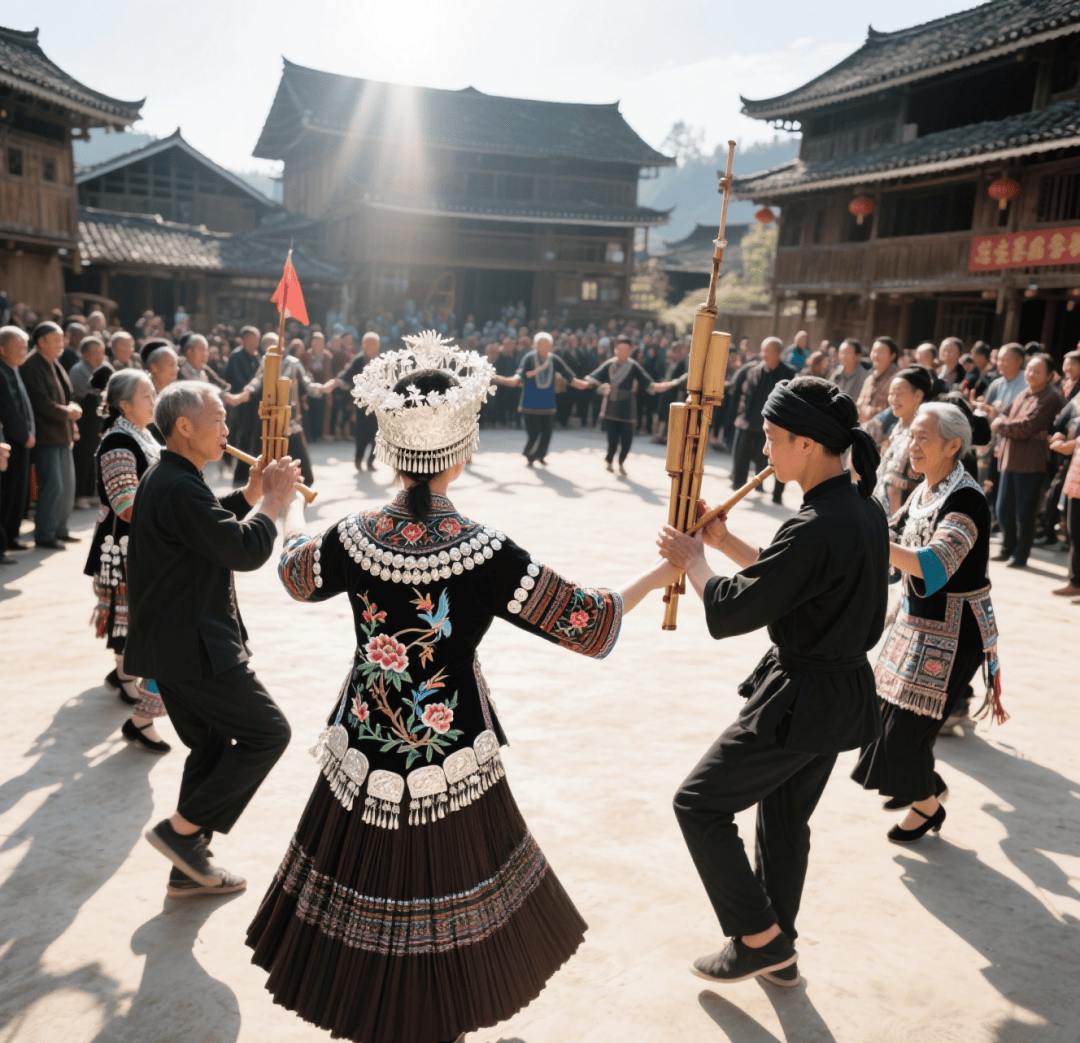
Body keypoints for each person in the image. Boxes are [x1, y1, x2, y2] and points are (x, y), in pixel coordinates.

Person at [246, 330, 677, 1043]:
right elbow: (587, 622)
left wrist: (285, 501)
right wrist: (664, 573)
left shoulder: (354, 534)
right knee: (447, 890)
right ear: (463, 451)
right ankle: (435, 1022)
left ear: (390, 449)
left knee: (367, 883)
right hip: (450, 751)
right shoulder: (485, 549)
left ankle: (377, 1017)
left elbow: (296, 572)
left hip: (364, 739)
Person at [656, 376, 888, 987]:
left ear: (806, 444)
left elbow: (734, 609)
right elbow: (793, 580)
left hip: (803, 698)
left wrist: (694, 562)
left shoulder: (817, 523)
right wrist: (723, 540)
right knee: (784, 820)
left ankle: (758, 939)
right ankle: (779, 949)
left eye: (771, 437)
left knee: (698, 803)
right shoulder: (862, 508)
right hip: (839, 693)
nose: (763, 450)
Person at [126, 382, 299, 895]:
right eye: (218, 419)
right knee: (269, 733)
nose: (226, 429)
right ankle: (179, 834)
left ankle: (188, 868)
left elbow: (206, 521)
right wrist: (273, 503)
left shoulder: (171, 477)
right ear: (184, 426)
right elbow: (241, 549)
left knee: (210, 747)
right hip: (195, 645)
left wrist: (249, 495)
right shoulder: (178, 484)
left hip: (172, 645)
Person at [852, 403, 1003, 840]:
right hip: (914, 625)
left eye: (923, 438)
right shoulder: (926, 490)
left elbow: (934, 567)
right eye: (911, 437)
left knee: (905, 736)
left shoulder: (966, 499)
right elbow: (893, 535)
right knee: (880, 722)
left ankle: (927, 803)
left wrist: (873, 539)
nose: (911, 446)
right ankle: (920, 784)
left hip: (955, 636)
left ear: (953, 445)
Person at [84, 371, 171, 752]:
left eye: (154, 393)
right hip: (123, 543)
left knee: (136, 615)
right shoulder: (118, 441)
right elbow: (125, 504)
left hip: (142, 542)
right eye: (147, 395)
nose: (154, 400)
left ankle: (123, 676)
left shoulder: (143, 434)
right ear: (124, 404)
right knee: (130, 613)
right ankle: (125, 677)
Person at [992, 354, 1063, 569]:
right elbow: (1003, 415)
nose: (1031, 374)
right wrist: (1004, 423)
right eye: (1029, 369)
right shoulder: (1024, 393)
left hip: (1031, 463)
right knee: (1003, 509)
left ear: (1050, 375)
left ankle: (1020, 554)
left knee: (1024, 513)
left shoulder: (1051, 397)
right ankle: (1007, 548)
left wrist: (1001, 426)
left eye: (1037, 371)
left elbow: (1026, 427)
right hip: (1009, 459)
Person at [22, 321, 82, 550]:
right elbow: (41, 403)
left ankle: (60, 530)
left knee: (67, 486)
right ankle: (45, 534)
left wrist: (71, 418)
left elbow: (67, 395)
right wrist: (68, 413)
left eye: (61, 338)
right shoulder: (31, 365)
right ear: (41, 341)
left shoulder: (54, 363)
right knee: (52, 486)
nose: (61, 343)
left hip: (63, 434)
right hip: (46, 437)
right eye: (55, 339)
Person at [493, 331, 589, 466]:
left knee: (547, 433)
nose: (546, 346)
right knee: (534, 433)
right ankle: (529, 453)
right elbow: (520, 374)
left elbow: (567, 373)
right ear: (536, 345)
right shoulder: (529, 358)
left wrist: (577, 382)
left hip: (547, 403)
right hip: (530, 402)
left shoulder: (554, 359)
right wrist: (508, 380)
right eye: (542, 344)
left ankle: (540, 455)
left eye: (548, 344)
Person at [584, 334, 673, 475]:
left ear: (630, 351)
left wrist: (662, 386)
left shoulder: (633, 366)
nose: (622, 352)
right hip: (611, 405)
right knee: (612, 441)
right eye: (619, 349)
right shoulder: (609, 364)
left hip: (627, 406)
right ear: (615, 350)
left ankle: (621, 462)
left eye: (626, 349)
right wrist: (598, 385)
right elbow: (593, 377)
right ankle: (609, 460)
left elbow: (647, 382)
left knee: (627, 441)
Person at [730, 337, 795, 503]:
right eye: (763, 350)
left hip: (775, 425)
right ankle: (737, 491)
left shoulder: (789, 374)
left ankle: (777, 495)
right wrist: (741, 415)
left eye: (768, 351)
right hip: (749, 420)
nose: (763, 354)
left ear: (779, 354)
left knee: (777, 460)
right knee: (740, 457)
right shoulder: (754, 370)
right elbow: (744, 394)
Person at [873, 366, 936, 517]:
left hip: (903, 516)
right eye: (891, 394)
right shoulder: (896, 428)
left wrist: (894, 524)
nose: (893, 399)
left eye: (899, 393)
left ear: (918, 395)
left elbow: (900, 487)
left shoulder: (922, 434)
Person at [0, 326, 35, 553]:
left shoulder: (13, 369)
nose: (24, 351)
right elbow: (9, 411)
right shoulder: (2, 372)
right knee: (8, 493)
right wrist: (24, 435)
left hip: (20, 442)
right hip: (10, 442)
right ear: (2, 349)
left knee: (18, 494)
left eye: (25, 346)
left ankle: (11, 537)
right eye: (18, 346)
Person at [328, 330, 381, 470]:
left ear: (378, 345)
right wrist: (337, 381)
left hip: (378, 404)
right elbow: (347, 374)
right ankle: (359, 458)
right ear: (363, 345)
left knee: (378, 435)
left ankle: (371, 461)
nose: (370, 346)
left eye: (373, 343)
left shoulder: (382, 361)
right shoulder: (359, 360)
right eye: (367, 343)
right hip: (363, 403)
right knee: (362, 433)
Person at [69, 335, 112, 509]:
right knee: (83, 458)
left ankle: (92, 492)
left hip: (100, 421)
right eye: (95, 352)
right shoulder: (78, 370)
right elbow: (86, 394)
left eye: (102, 351)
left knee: (97, 457)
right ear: (85, 354)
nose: (100, 355)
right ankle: (80, 495)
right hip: (85, 421)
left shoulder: (105, 368)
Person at [857, 337, 900, 427]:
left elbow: (895, 410)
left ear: (892, 356)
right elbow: (859, 404)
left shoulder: (898, 379)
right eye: (874, 351)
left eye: (881, 352)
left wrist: (869, 412)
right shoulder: (869, 378)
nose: (876, 355)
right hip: (864, 427)